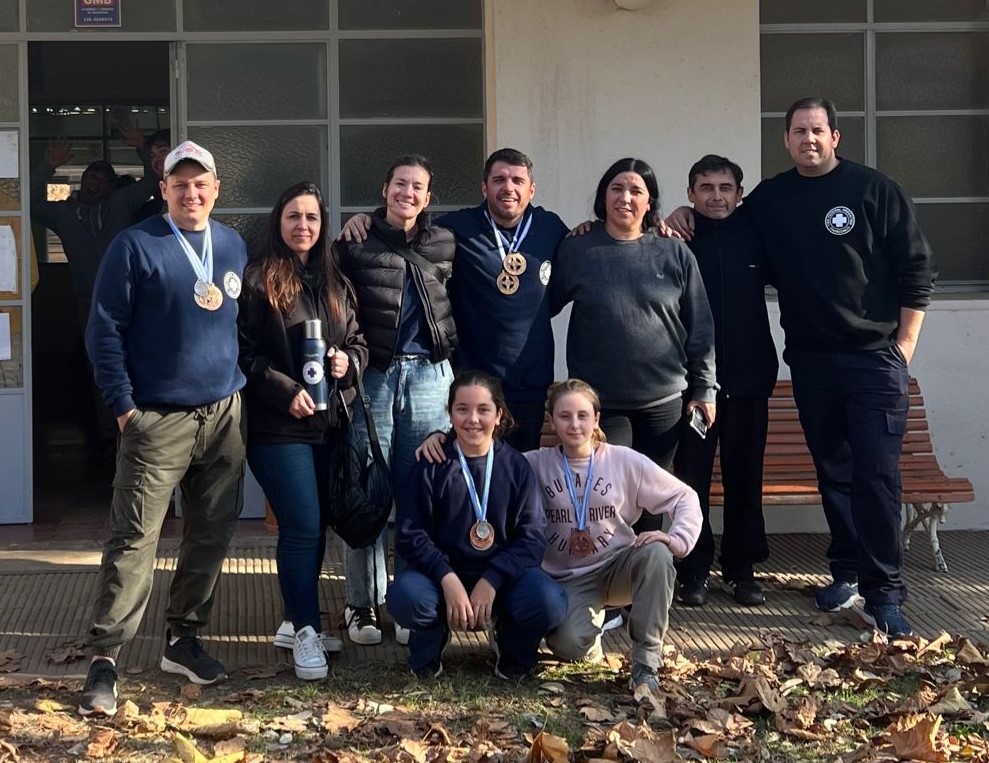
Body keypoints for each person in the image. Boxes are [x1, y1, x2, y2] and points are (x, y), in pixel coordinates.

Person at [667, 98, 937, 637]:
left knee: (876, 476)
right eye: (798, 131)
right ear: (786, 140)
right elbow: (723, 224)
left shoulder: (873, 190)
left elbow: (916, 267)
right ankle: (847, 573)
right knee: (834, 472)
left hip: (872, 359)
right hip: (810, 361)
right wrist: (676, 217)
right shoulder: (772, 199)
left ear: (834, 136)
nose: (808, 139)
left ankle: (884, 593)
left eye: (817, 130)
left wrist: (904, 344)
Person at [79, 141, 247, 716]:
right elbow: (104, 331)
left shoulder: (231, 245)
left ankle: (183, 639)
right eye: (180, 184)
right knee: (133, 539)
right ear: (165, 189)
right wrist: (124, 407)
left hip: (223, 414)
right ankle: (105, 660)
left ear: (216, 189)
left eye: (201, 184)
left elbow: (238, 324)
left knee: (210, 533)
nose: (191, 193)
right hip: (156, 418)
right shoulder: (135, 245)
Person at [416, 379, 701, 701]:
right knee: (570, 646)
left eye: (582, 415)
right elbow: (484, 455)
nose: (574, 424)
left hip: (616, 567)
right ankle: (584, 631)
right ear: (550, 421)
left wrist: (677, 539)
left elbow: (685, 497)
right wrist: (439, 438)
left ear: (596, 419)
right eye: (565, 416)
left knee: (656, 554)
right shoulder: (533, 464)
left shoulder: (625, 461)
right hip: (567, 580)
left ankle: (646, 665)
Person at [341, 148, 570, 452]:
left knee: (520, 472)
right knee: (467, 473)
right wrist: (366, 220)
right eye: (499, 179)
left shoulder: (551, 227)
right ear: (484, 187)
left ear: (532, 189)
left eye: (517, 180)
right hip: (471, 378)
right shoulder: (455, 229)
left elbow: (576, 268)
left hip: (530, 378)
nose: (508, 188)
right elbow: (404, 225)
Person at [238, 181, 367, 679]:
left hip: (329, 425)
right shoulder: (258, 280)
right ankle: (308, 634)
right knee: (301, 527)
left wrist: (345, 363)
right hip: (278, 429)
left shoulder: (335, 281)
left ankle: (296, 622)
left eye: (312, 218)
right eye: (294, 217)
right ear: (279, 221)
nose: (303, 226)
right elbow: (243, 354)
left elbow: (358, 341)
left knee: (312, 529)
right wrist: (282, 390)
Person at [336, 156, 457, 647]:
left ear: (429, 197)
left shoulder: (446, 241)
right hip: (376, 376)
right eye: (400, 183)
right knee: (366, 487)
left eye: (418, 187)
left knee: (419, 489)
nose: (408, 192)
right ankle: (361, 603)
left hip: (430, 375)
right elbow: (335, 303)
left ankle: (407, 599)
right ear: (384, 188)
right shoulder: (355, 241)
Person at [387, 370, 568, 679]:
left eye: (483, 410)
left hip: (501, 582)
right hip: (441, 580)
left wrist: (493, 578)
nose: (473, 419)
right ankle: (430, 642)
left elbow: (532, 538)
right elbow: (411, 535)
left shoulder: (516, 467)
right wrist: (446, 578)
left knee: (549, 600)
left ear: (499, 415)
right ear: (450, 413)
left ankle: (511, 648)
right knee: (405, 596)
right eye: (462, 409)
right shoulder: (431, 464)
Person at [550, 158, 718, 473]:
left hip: (664, 401)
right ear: (603, 197)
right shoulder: (578, 250)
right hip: (601, 403)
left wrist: (705, 388)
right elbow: (543, 305)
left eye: (635, 191)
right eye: (616, 189)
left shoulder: (674, 251)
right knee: (609, 494)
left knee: (650, 496)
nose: (625, 198)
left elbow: (701, 328)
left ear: (649, 201)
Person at [672, 155, 778, 608]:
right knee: (692, 480)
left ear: (739, 192)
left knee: (744, 477)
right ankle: (693, 570)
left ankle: (741, 569)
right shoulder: (676, 239)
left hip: (750, 379)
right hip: (693, 386)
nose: (717, 196)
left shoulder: (759, 234)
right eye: (706, 187)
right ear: (691, 193)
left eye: (725, 187)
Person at [31, 135, 164, 460]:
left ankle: (139, 437)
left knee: (137, 364)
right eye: (91, 177)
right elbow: (30, 202)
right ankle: (108, 437)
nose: (95, 184)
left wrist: (142, 146)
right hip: (88, 302)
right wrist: (49, 165)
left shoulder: (120, 204)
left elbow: (152, 180)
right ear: (83, 181)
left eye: (102, 180)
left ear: (110, 187)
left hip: (132, 301)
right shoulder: (63, 214)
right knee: (98, 369)